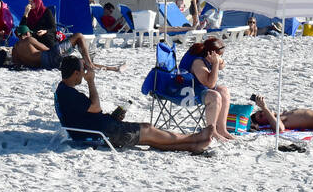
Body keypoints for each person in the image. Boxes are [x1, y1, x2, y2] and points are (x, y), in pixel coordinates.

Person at [55, 56, 212, 152]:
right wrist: (91, 81)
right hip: (103, 132)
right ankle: (193, 138)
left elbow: (86, 115)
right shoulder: (68, 93)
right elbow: (95, 107)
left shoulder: (64, 91)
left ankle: (192, 144)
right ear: (75, 73)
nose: (84, 74)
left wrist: (112, 117)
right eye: (82, 71)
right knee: (148, 130)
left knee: (150, 138)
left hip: (101, 127)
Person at [181, 36, 234, 142]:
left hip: (197, 87)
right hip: (186, 91)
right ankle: (212, 131)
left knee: (223, 90)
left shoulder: (205, 53)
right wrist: (215, 64)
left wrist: (219, 62)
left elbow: (222, 65)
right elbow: (210, 84)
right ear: (212, 54)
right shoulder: (198, 62)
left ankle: (222, 129)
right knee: (215, 96)